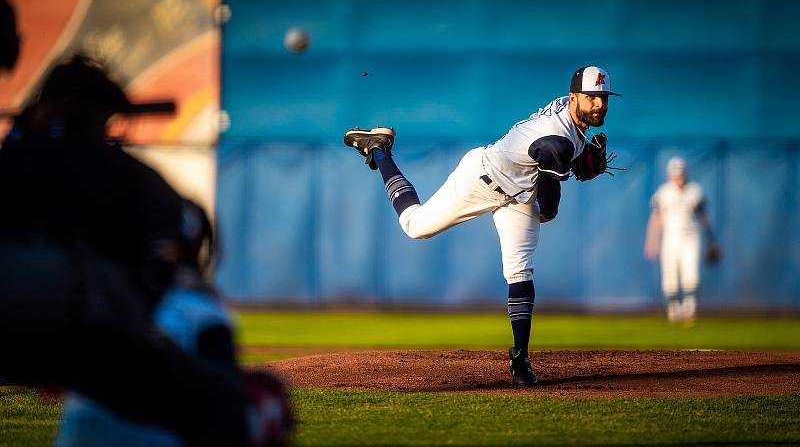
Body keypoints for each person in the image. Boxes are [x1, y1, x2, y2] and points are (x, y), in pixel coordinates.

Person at [0, 55, 290, 446]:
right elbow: (175, 266)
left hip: (29, 339)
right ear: (104, 116)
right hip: (88, 336)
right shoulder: (132, 177)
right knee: (238, 404)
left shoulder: (15, 161)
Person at [343, 65, 621, 386]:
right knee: (415, 225)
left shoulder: (568, 114)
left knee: (520, 271)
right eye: (591, 97)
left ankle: (520, 358)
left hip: (518, 196)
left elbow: (559, 145)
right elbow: (551, 177)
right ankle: (378, 148)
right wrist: (550, 211)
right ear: (574, 98)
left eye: (603, 97)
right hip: (480, 178)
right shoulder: (555, 141)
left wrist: (582, 151)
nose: (599, 104)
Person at [645, 157, 719, 324]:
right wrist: (651, 242)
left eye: (680, 173)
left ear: (685, 173)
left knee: (691, 273)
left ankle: (689, 308)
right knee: (670, 274)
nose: (678, 177)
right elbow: (655, 219)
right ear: (669, 175)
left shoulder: (695, 191)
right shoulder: (663, 192)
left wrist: (711, 240)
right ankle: (673, 309)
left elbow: (704, 217)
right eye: (675, 174)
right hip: (670, 238)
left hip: (691, 238)